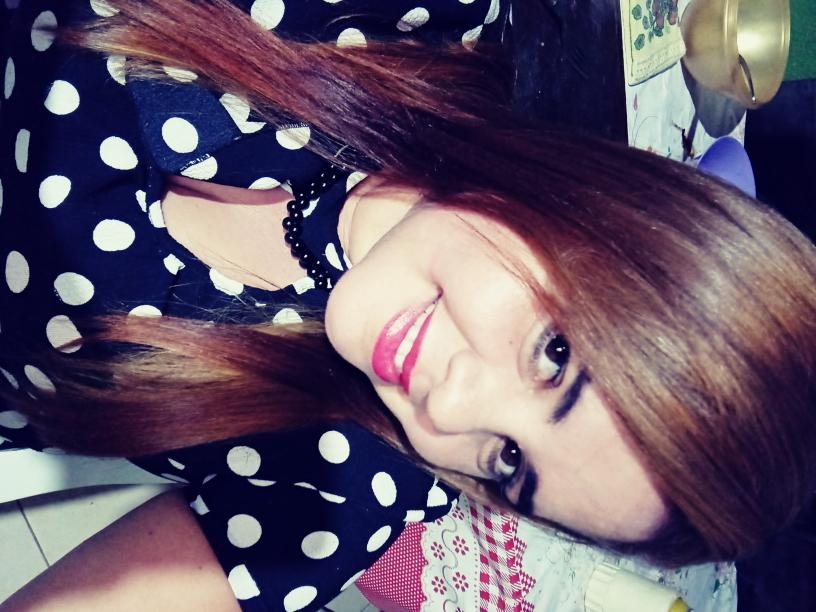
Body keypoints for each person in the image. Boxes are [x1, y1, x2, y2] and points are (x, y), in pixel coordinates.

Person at [1, 0, 815, 610]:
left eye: (509, 463)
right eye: (554, 356)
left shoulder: (341, 488)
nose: (450, 411)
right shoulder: (412, 20)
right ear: (604, 212)